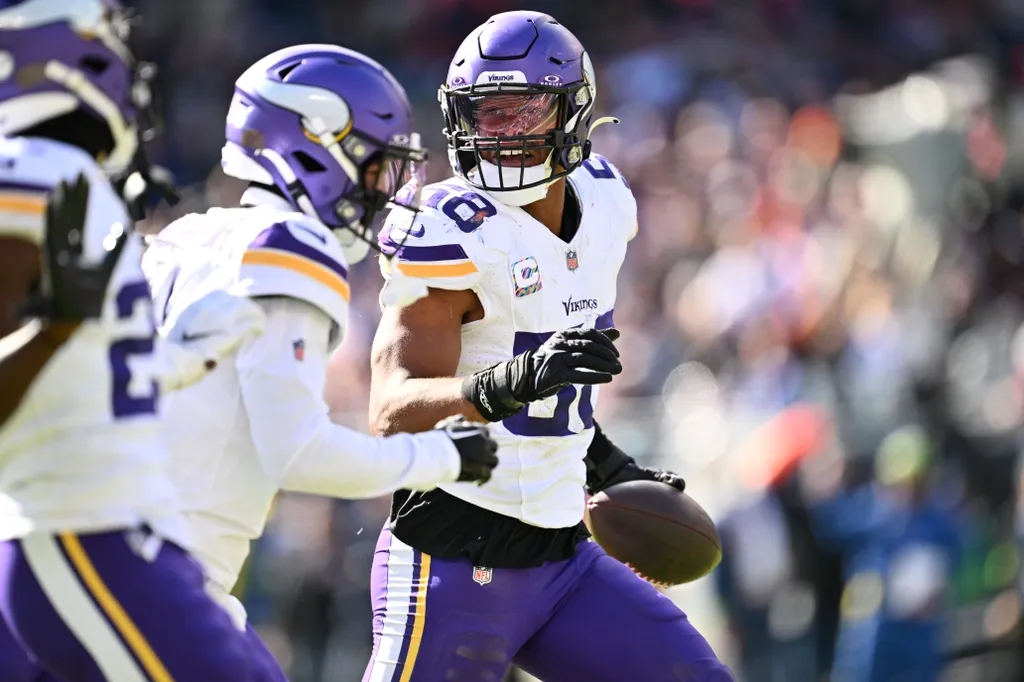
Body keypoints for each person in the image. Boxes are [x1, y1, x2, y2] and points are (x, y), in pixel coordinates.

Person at [357, 10, 734, 682]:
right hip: (452, 556)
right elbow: (391, 409)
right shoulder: (451, 229)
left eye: (523, 112)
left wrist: (609, 465)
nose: (502, 135)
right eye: (487, 116)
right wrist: (515, 379)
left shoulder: (605, 203)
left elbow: (556, 404)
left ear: (571, 113)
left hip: (564, 561)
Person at [141, 44, 500, 681]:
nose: (381, 192)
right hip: (166, 581)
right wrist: (443, 458)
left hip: (105, 549)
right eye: (372, 167)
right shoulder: (291, 246)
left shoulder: (187, 238)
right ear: (313, 142)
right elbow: (298, 454)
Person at [0, 1, 270, 679]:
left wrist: (177, 358)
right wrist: (58, 328)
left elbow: (71, 382)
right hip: (81, 530)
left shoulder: (68, 178)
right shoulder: (32, 174)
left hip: (98, 528)